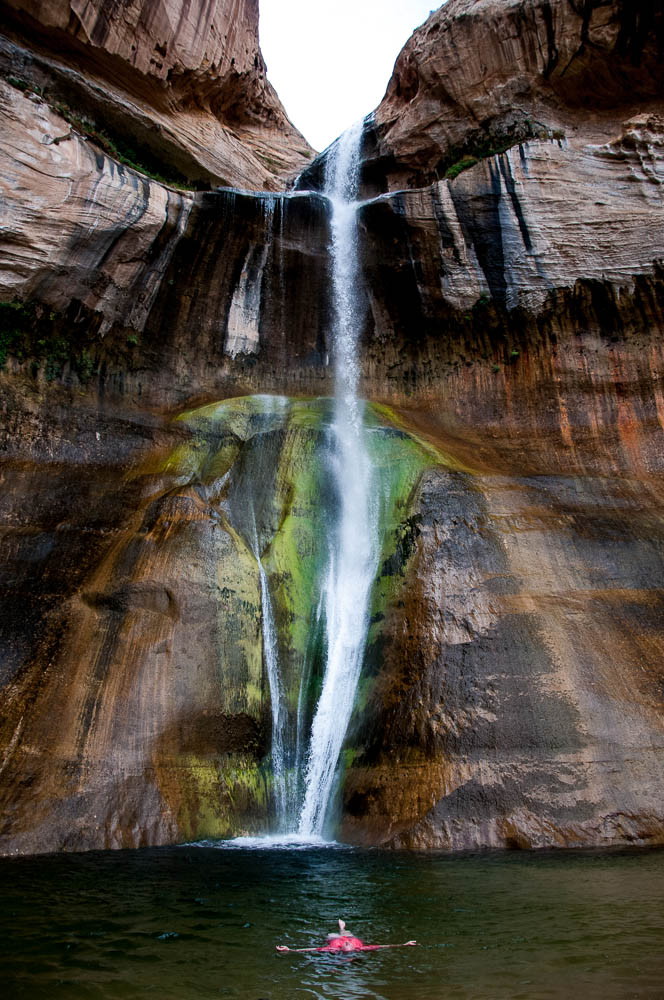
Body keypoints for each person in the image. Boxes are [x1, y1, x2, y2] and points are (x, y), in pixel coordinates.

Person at [276, 918, 417, 953]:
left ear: (342, 947)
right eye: (348, 944)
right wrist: (404, 944)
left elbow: (311, 949)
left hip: (334, 939)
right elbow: (383, 946)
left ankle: (341, 928)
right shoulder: (359, 948)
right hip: (348, 936)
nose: (347, 943)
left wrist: (290, 949)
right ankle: (342, 928)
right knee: (348, 934)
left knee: (332, 935)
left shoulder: (334, 948)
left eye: (346, 944)